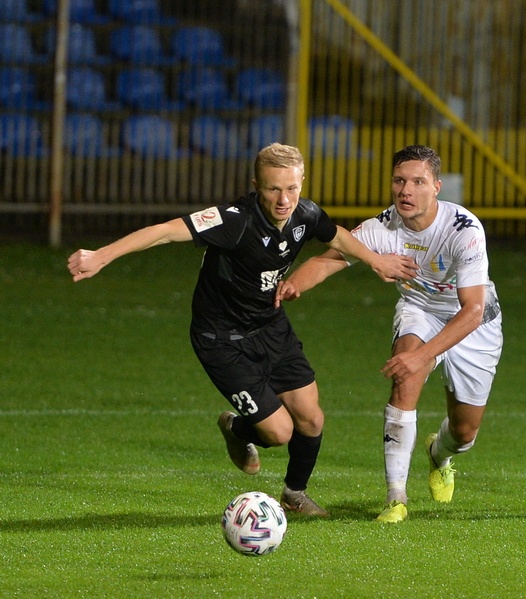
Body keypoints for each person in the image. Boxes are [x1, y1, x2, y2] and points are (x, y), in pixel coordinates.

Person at [67, 143, 417, 517]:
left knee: (312, 418)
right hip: (220, 338)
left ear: (301, 183)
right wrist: (101, 256)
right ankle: (237, 430)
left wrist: (376, 261)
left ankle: (294, 495)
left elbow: (337, 236)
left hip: (269, 324)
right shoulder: (233, 220)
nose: (284, 200)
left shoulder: (306, 213)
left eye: (291, 189)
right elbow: (165, 232)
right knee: (279, 433)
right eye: (272, 189)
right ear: (256, 185)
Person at [276, 144, 503, 523]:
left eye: (417, 182)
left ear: (436, 187)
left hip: (473, 324)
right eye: (399, 181)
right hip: (420, 312)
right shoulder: (383, 227)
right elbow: (328, 260)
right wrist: (293, 285)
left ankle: (439, 455)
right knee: (405, 379)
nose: (406, 191)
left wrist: (423, 355)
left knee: (464, 432)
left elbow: (473, 311)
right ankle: (396, 498)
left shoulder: (463, 230)